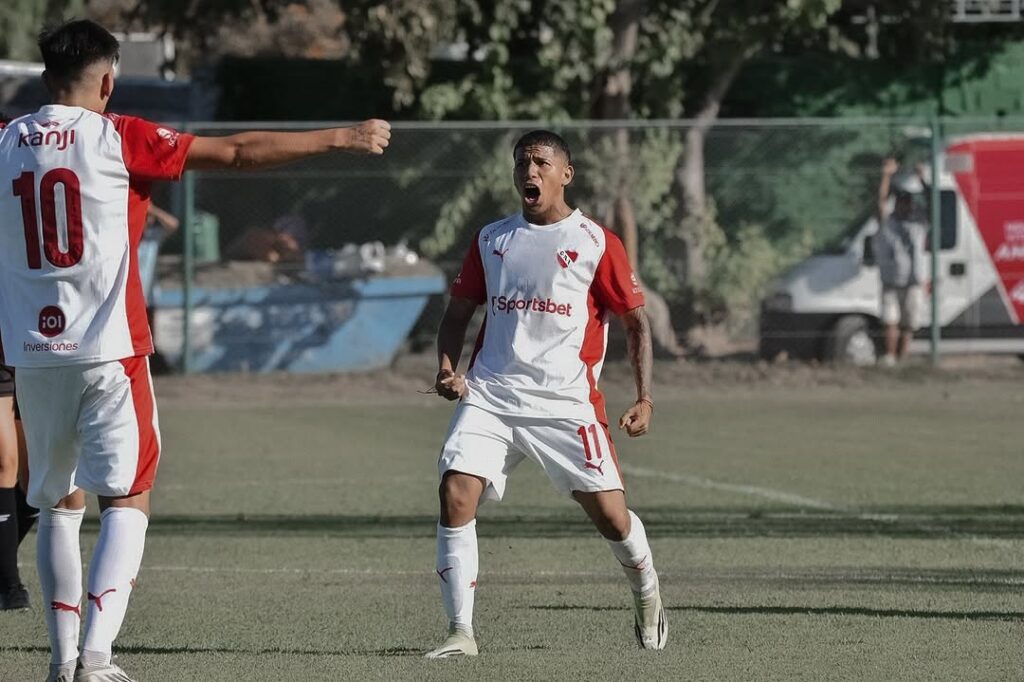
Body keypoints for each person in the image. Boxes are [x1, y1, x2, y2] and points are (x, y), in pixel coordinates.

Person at [0, 19, 390, 682]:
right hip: (109, 351)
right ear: (108, 80)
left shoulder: (7, 140)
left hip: (34, 353)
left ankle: (62, 662)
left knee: (59, 503)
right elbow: (236, 153)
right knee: (129, 496)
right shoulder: (119, 136)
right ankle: (96, 657)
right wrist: (341, 137)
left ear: (44, 77)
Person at [424, 130, 665, 659]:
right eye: (521, 163)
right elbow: (459, 313)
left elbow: (636, 323)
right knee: (456, 492)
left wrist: (645, 398)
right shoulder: (492, 239)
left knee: (611, 518)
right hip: (491, 394)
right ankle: (460, 632)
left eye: (540, 162)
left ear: (565, 174)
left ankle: (646, 589)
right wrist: (447, 368)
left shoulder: (597, 242)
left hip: (565, 403)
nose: (528, 171)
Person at [0, 112, 40, 613]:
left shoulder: (15, 138)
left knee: (41, 476)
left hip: (27, 322)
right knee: (5, 459)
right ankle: (9, 586)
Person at [874, 157, 929, 366]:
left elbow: (933, 202)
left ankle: (903, 358)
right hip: (891, 280)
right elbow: (880, 202)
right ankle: (890, 357)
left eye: (907, 202)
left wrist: (922, 180)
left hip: (913, 281)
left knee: (909, 323)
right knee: (890, 320)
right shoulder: (888, 223)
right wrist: (886, 176)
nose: (905, 205)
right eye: (901, 202)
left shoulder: (918, 223)